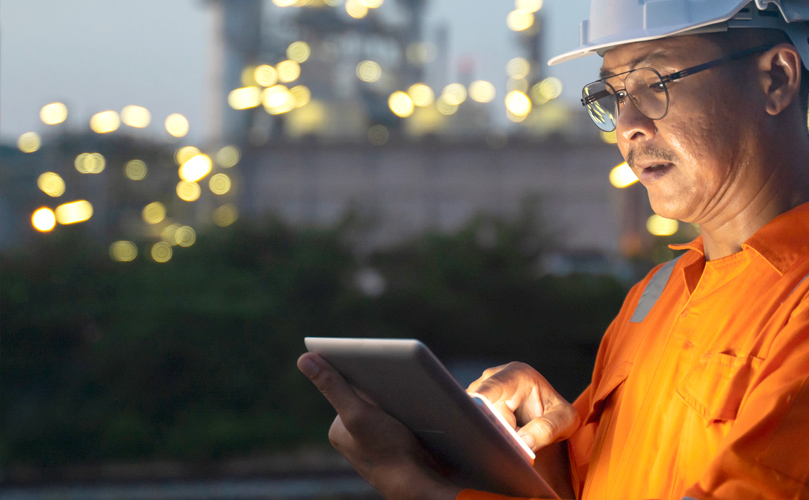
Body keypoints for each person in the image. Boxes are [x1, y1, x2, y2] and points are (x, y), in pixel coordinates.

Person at [297, 0, 809, 498]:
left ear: (776, 79)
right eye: (613, 95)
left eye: (656, 84)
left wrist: (418, 489)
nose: (628, 125)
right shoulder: (656, 297)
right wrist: (530, 450)